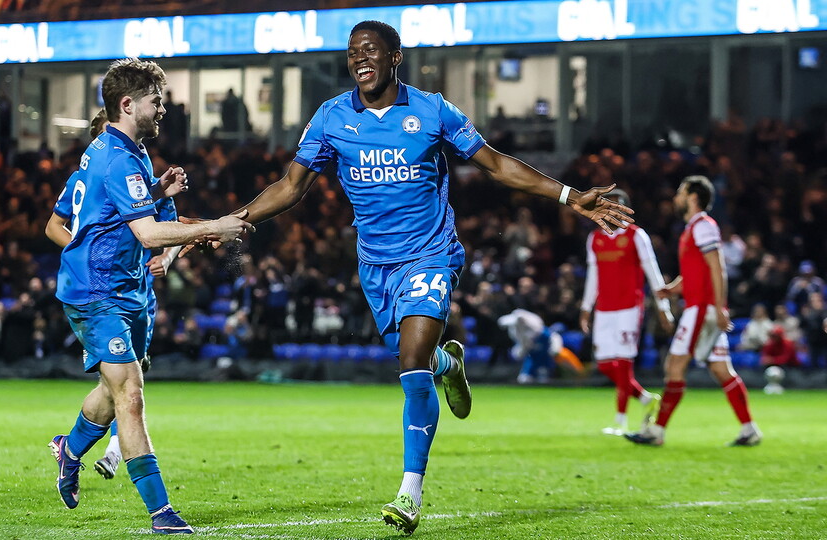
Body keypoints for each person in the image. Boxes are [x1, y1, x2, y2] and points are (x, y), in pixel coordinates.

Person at [230, 21, 633, 534]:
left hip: (430, 255)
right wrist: (234, 221)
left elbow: (496, 165)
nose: (360, 59)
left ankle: (410, 492)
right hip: (376, 264)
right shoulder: (331, 117)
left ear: (395, 57)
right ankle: (449, 364)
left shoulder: (432, 110)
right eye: (353, 52)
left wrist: (568, 195)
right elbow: (291, 187)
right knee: (414, 358)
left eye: (370, 50)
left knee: (409, 361)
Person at [48, 57, 253, 535]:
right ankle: (162, 514)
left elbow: (115, 215)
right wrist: (212, 227)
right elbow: (143, 234)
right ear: (128, 104)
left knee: (111, 389)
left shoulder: (128, 152)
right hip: (97, 291)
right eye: (156, 101)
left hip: (127, 289)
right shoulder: (120, 157)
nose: (164, 108)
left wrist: (159, 192)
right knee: (131, 395)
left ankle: (70, 450)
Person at [46, 107, 188, 483]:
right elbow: (55, 227)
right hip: (101, 292)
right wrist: (85, 253)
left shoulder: (140, 176)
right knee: (127, 388)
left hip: (137, 291)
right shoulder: (104, 172)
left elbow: (170, 229)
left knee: (120, 384)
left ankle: (71, 449)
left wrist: (169, 256)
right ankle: (150, 497)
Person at [626, 175, 762, 447]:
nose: (676, 197)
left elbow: (717, 266)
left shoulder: (703, 226)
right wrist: (672, 289)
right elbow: (695, 273)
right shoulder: (693, 228)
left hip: (701, 310)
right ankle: (749, 430)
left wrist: (720, 307)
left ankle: (657, 432)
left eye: (680, 192)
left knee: (674, 366)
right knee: (722, 370)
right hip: (703, 307)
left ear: (692, 197)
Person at [579, 188, 673, 436]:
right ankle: (644, 398)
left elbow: (652, 271)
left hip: (629, 308)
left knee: (622, 363)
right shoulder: (595, 239)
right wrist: (586, 307)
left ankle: (620, 421)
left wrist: (663, 307)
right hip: (605, 309)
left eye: (618, 205)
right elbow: (593, 276)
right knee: (605, 364)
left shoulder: (636, 236)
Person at [498, 308, 582, 384]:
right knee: (524, 379)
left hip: (545, 361)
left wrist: (554, 350)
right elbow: (519, 353)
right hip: (532, 361)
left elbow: (554, 339)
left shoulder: (544, 334)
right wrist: (522, 349)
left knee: (543, 381)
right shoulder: (523, 338)